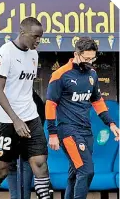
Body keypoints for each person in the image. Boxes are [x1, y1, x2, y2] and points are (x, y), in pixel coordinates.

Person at [0, 17, 51, 199]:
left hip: (30, 116)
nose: (38, 41)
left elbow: (23, 88)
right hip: (7, 120)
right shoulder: (6, 52)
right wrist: (15, 119)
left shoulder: (34, 54)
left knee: (40, 164)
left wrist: (25, 116)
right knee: (1, 170)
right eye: (35, 36)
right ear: (23, 32)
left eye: (40, 37)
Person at [45, 37, 120, 199]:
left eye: (92, 58)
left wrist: (111, 123)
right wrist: (52, 134)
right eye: (86, 58)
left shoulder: (92, 73)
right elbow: (50, 105)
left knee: (75, 172)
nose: (89, 62)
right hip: (68, 131)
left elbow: (97, 101)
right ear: (76, 54)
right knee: (86, 171)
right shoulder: (60, 75)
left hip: (86, 131)